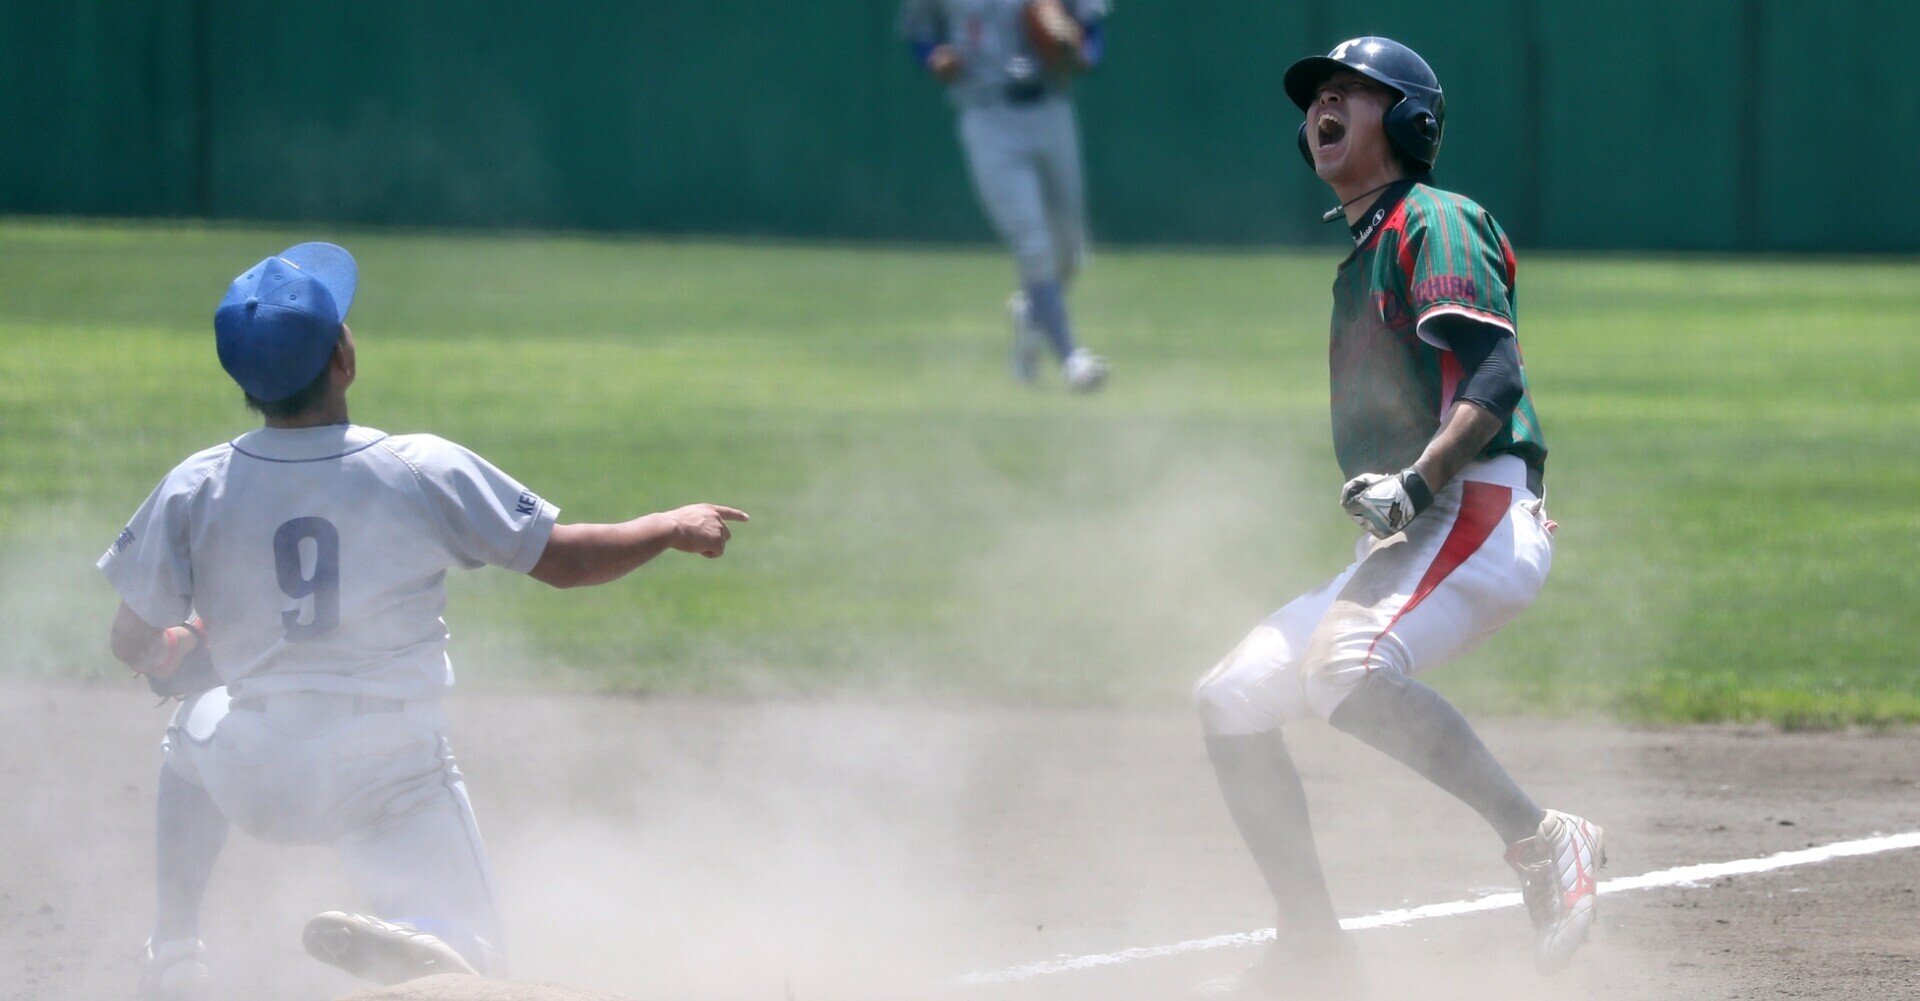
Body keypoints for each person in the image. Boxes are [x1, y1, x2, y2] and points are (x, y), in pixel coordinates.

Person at [101, 243, 748, 998]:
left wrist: (179, 647)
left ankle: (176, 948)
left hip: (256, 766)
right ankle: (436, 941)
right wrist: (670, 524)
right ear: (343, 358)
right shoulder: (416, 467)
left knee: (191, 727)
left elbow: (130, 637)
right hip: (385, 768)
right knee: (475, 961)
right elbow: (568, 561)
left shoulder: (196, 483)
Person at [1189, 38, 1604, 996]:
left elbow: (1495, 374)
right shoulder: (1365, 253)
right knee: (1231, 696)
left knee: (1344, 668)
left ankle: (1544, 839)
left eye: (1351, 93)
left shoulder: (1436, 220)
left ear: (1410, 124)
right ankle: (1313, 944)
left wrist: (1418, 483)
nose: (1323, 107)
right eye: (1316, 98)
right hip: (1419, 520)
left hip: (1473, 500)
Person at [899, 0, 1111, 391]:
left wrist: (1083, 51)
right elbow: (919, 31)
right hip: (987, 115)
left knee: (1070, 251)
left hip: (1051, 108)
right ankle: (1072, 358)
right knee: (1032, 244)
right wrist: (933, 57)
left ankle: (1033, 312)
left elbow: (1091, 29)